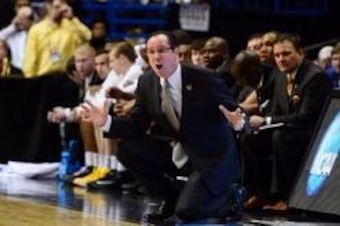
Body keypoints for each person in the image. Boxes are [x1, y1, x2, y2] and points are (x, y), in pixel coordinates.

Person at [80, 31, 245, 224]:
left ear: (176, 53)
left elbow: (238, 112)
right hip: (180, 151)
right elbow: (137, 125)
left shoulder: (204, 78)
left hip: (211, 156)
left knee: (186, 213)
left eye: (162, 50)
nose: (156, 56)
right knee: (127, 150)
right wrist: (105, 121)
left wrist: (238, 123)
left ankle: (231, 196)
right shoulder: (147, 82)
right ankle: (170, 196)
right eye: (151, 52)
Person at [221, 33, 332, 211]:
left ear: (301, 53)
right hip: (288, 127)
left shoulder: (315, 77)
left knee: (281, 137)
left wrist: (267, 120)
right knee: (250, 137)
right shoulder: (281, 76)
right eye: (278, 55)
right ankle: (260, 193)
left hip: (312, 134)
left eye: (286, 54)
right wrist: (263, 124)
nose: (281, 59)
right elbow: (276, 110)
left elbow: (306, 118)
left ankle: (287, 197)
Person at [23, 0, 91, 78]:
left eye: (62, 7)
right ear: (48, 8)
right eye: (56, 7)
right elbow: (30, 57)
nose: (60, 10)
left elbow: (88, 36)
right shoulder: (37, 29)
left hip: (67, 76)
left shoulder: (71, 26)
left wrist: (72, 18)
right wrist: (29, 77)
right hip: (44, 76)